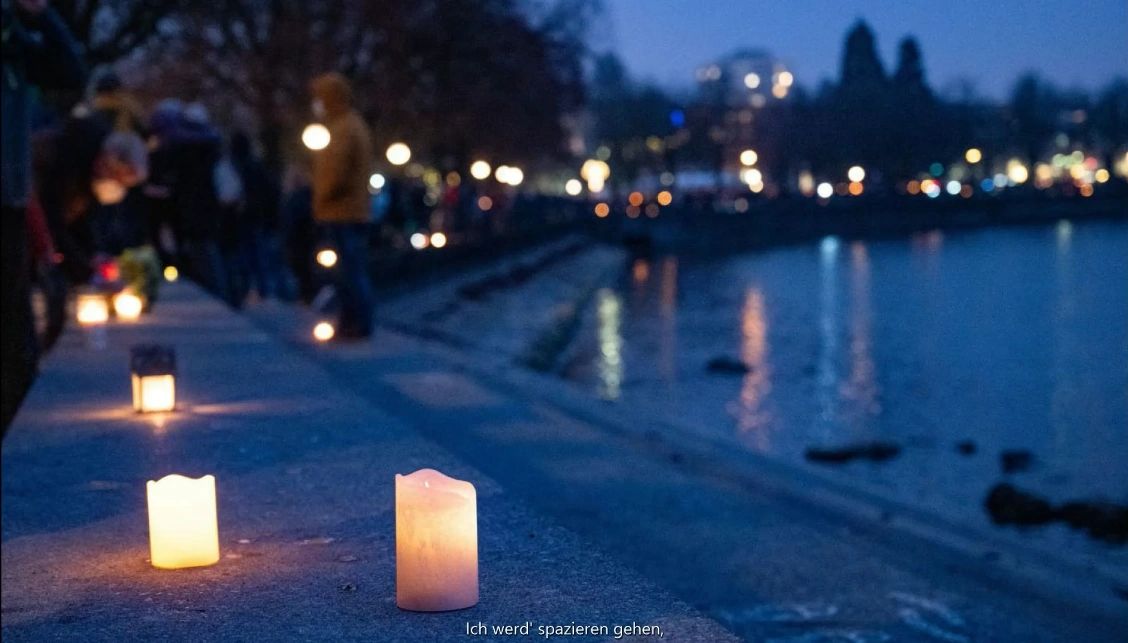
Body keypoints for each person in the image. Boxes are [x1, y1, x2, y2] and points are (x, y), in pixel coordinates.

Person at [2, 0, 85, 427]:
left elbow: (70, 71)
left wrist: (41, 15)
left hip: (10, 204)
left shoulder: (14, 44)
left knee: (18, 349)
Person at [309, 72, 375, 339]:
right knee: (350, 270)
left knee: (348, 272)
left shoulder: (343, 128)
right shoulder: (351, 124)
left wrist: (320, 198)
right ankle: (353, 321)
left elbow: (335, 172)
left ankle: (355, 323)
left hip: (341, 211)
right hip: (350, 210)